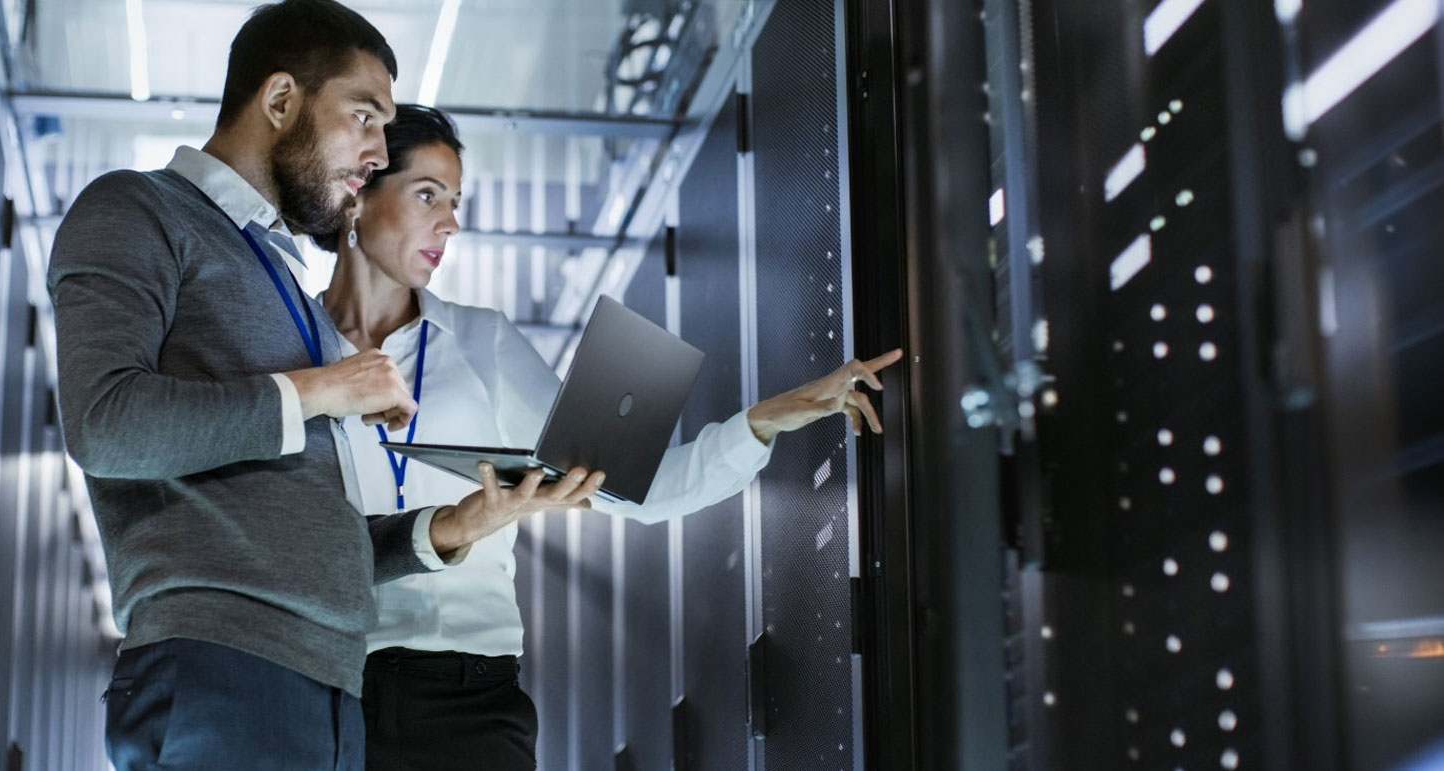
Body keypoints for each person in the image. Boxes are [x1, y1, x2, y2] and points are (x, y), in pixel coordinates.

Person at [48, 4, 601, 769]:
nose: (377, 152)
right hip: (224, 666)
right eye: (364, 117)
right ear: (280, 102)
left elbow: (317, 537)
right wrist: (318, 390)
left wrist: (458, 522)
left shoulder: (278, 276)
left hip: (329, 687)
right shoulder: (138, 209)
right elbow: (106, 424)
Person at [312, 104, 903, 770]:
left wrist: (761, 421)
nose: (451, 222)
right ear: (360, 191)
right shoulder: (291, 351)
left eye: (455, 201)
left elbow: (632, 490)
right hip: (326, 687)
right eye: (428, 195)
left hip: (471, 699)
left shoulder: (485, 341)